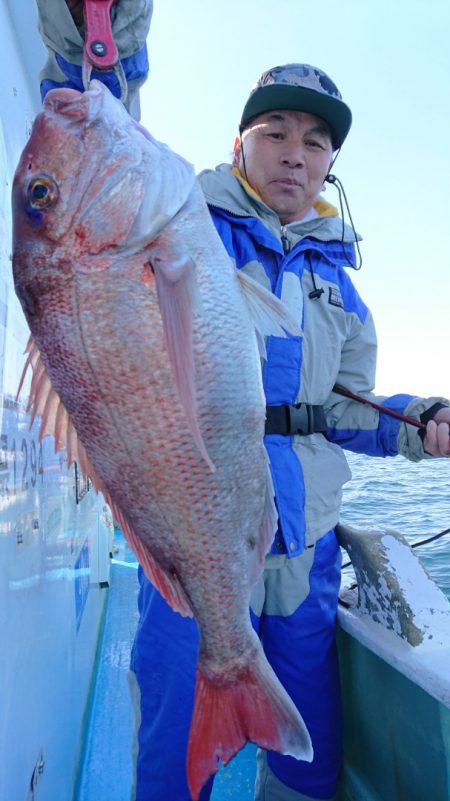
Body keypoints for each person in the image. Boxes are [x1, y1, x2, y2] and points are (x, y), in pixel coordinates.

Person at [129, 62, 450, 801]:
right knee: (174, 743)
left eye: (314, 141)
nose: (295, 153)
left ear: (331, 164)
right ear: (237, 144)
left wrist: (420, 420)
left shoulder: (340, 286)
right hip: (193, 536)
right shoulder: (185, 229)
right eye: (274, 132)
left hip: (305, 550)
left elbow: (345, 409)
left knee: (309, 754)